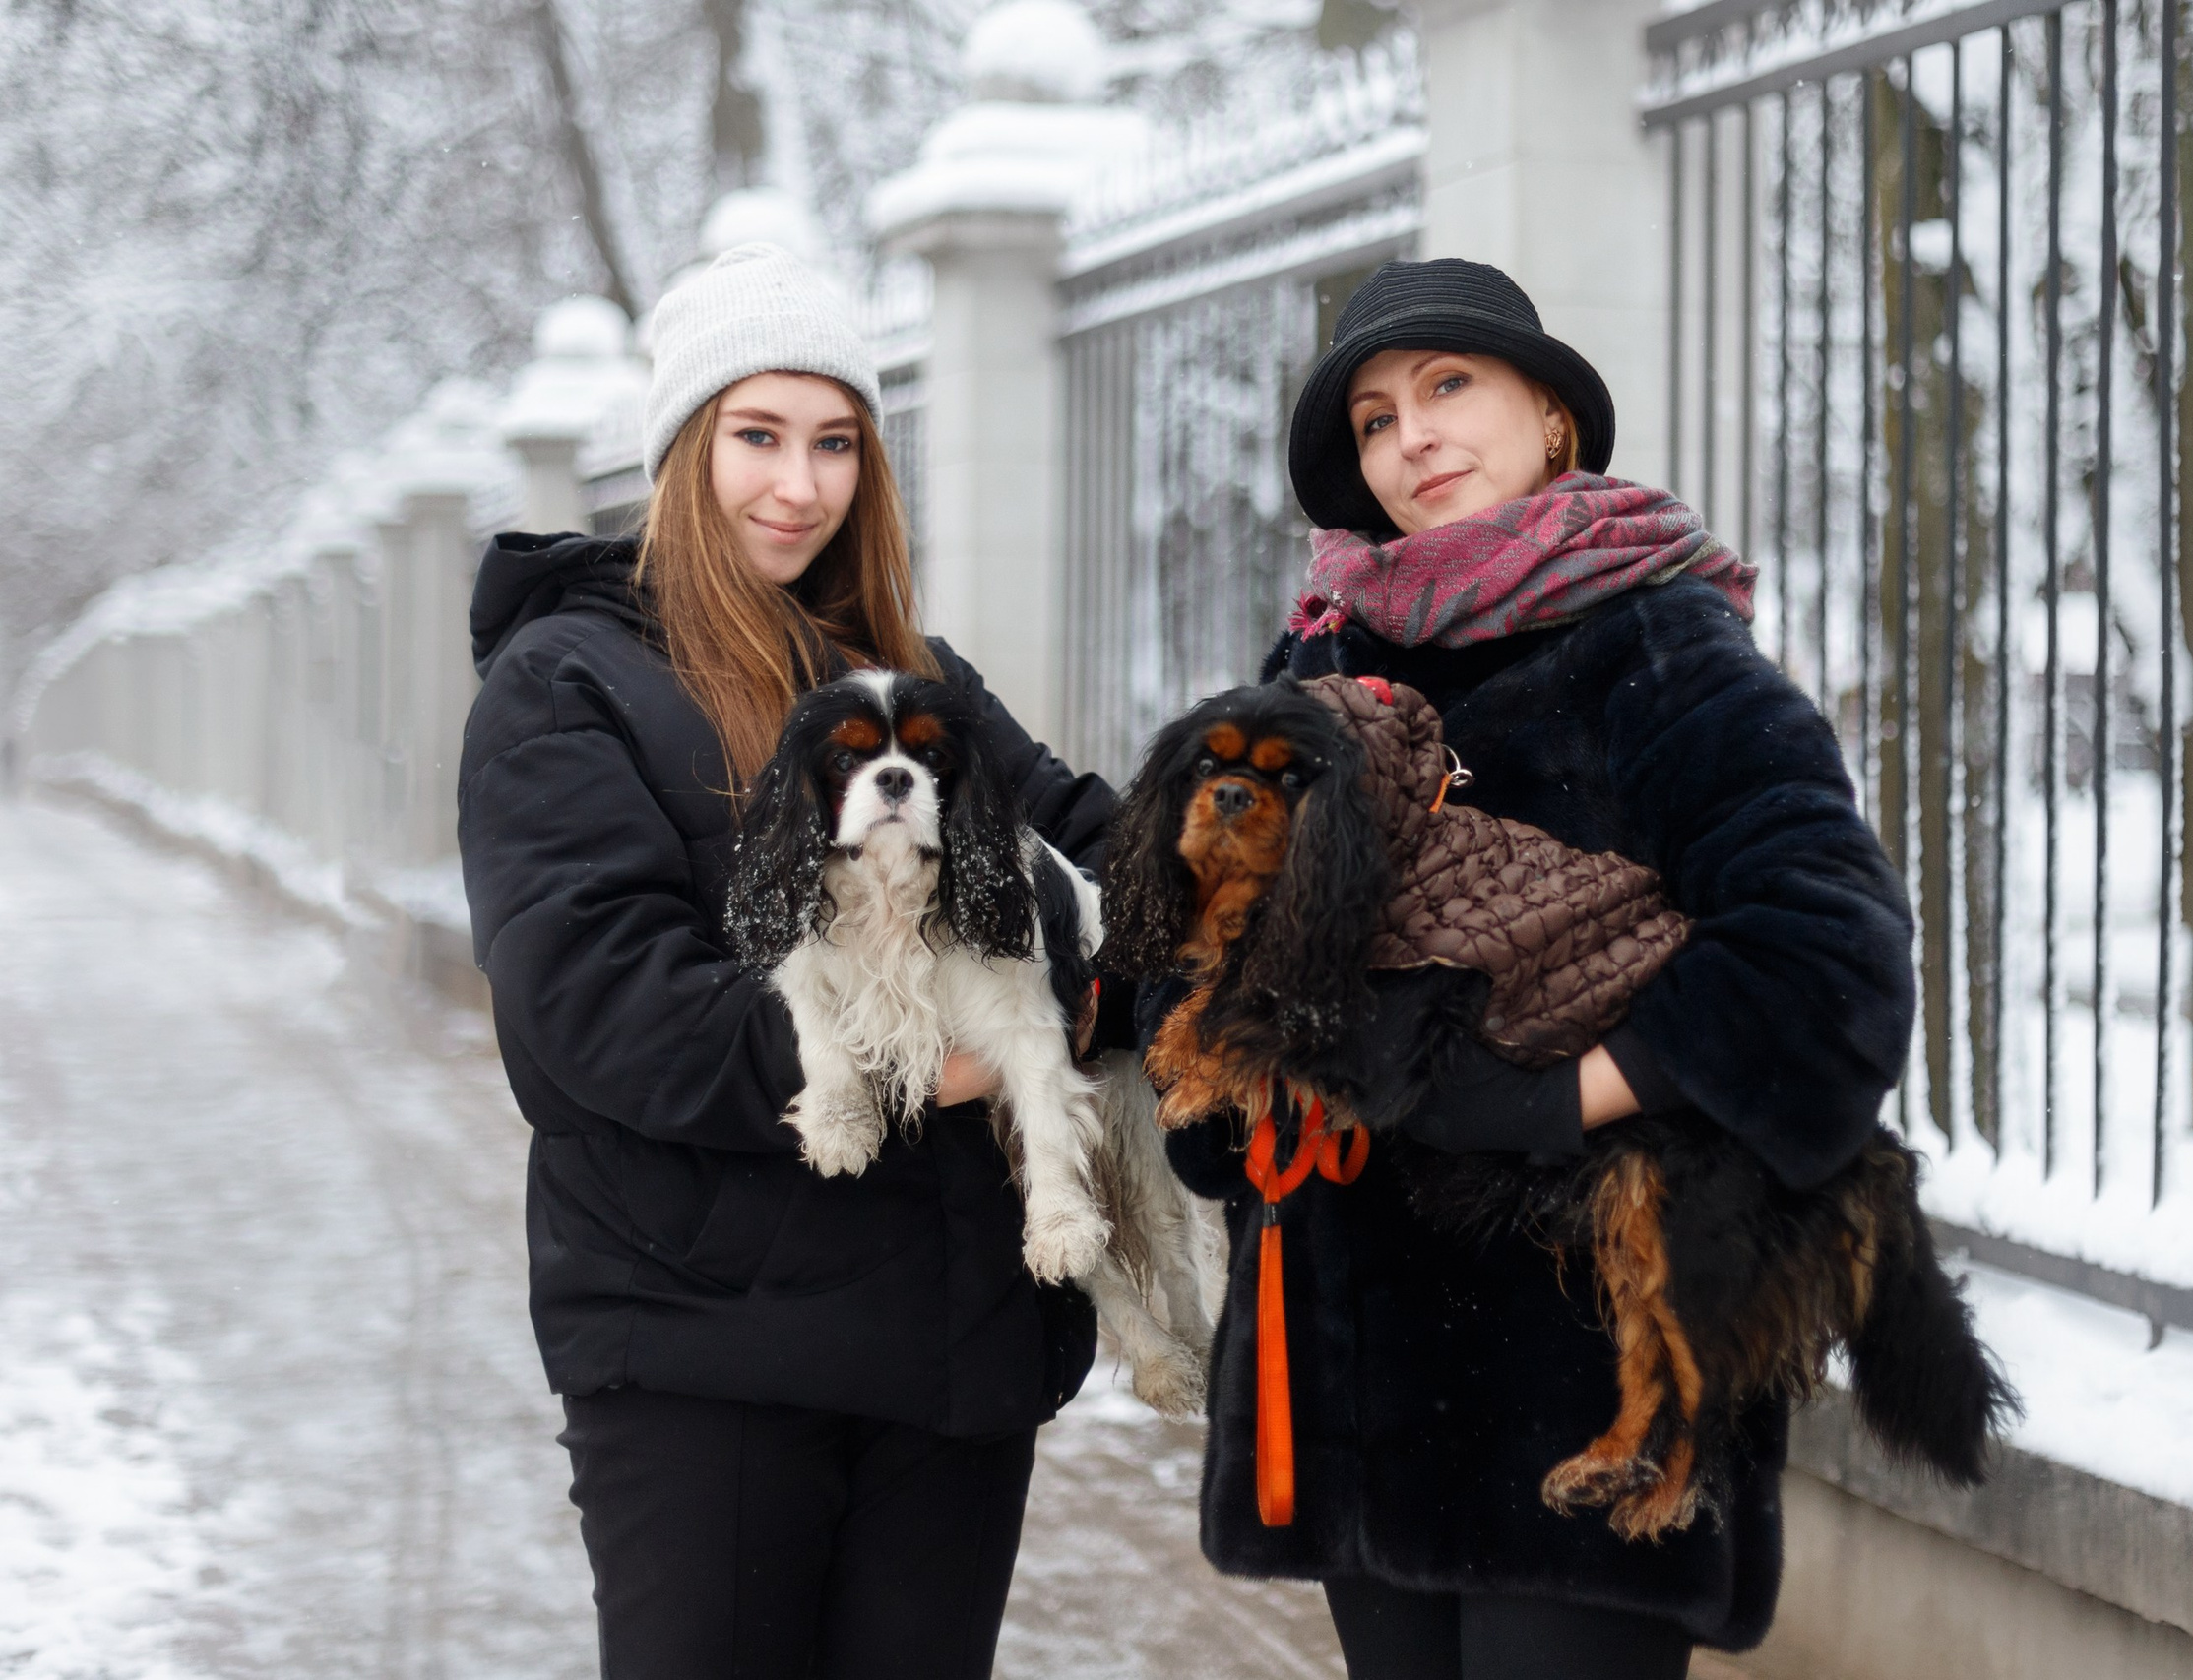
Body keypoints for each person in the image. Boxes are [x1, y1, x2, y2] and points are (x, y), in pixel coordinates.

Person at [1161, 258, 1915, 1678]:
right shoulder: (1319, 657)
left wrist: (1555, 1102)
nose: (1414, 438)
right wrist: (1231, 1084)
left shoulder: (1661, 645)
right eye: (1377, 420)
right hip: (1351, 1384)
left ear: (1553, 417)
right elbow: (1204, 933)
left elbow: (1832, 962)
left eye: (1449, 388)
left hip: (1578, 1366)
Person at [457, 242, 1116, 1680]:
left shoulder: (902, 681)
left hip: (949, 1352)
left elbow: (1106, 851)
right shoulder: (569, 684)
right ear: (686, 447)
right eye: (758, 436)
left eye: (834, 443)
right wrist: (945, 1059)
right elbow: (595, 1010)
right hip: (708, 1348)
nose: (798, 484)